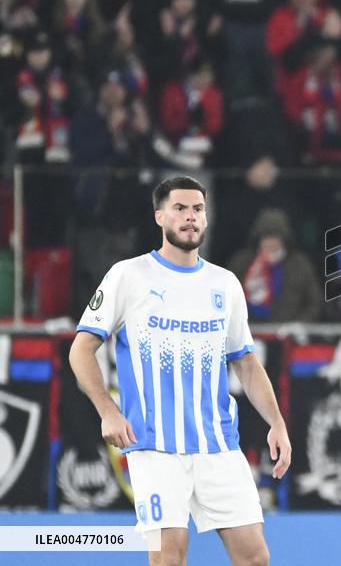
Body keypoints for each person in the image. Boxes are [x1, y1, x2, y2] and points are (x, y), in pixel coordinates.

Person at [68, 175, 291, 566]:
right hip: (155, 447)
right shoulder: (129, 276)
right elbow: (81, 350)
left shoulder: (224, 283)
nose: (190, 217)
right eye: (180, 209)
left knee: (255, 557)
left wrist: (276, 422)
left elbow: (245, 361)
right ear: (159, 216)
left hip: (218, 445)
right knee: (169, 559)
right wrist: (108, 410)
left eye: (198, 209)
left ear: (206, 218)